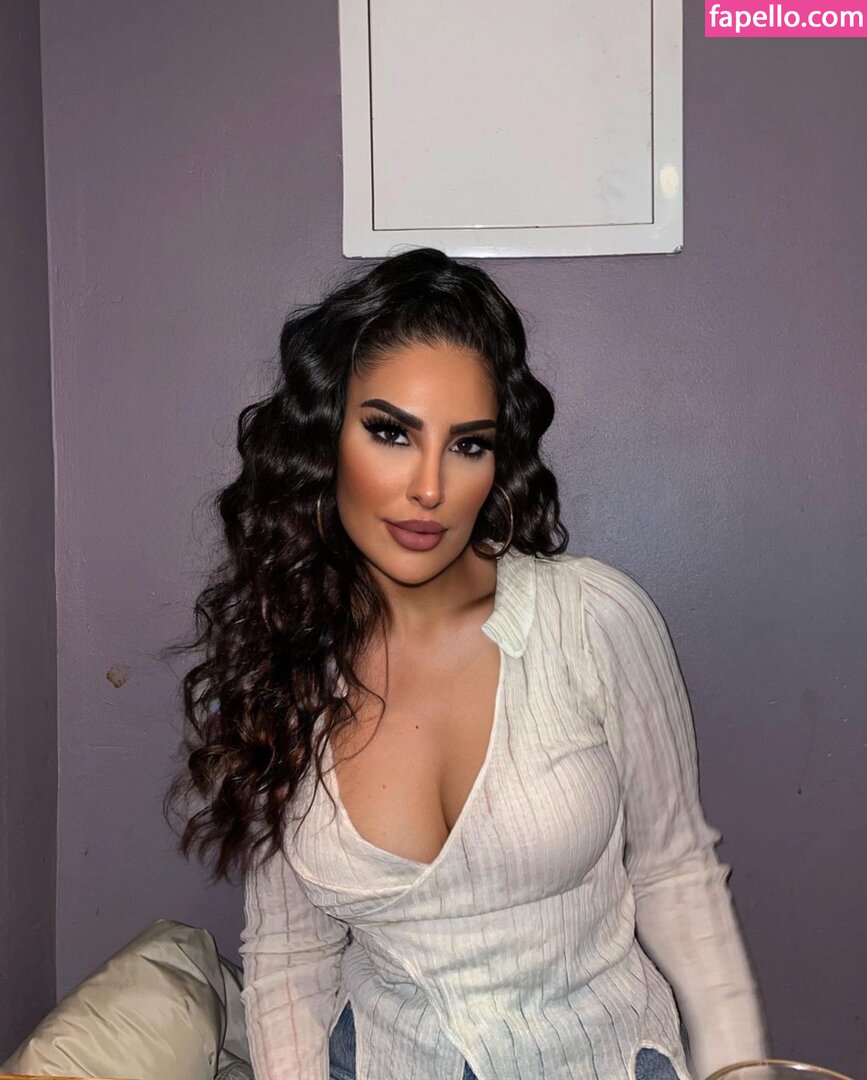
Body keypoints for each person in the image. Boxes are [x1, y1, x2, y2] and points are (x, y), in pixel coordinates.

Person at [165, 247, 769, 1080]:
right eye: (390, 432)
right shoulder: (285, 663)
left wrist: (740, 1066)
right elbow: (290, 956)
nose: (429, 487)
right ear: (324, 442)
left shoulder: (591, 619)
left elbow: (675, 873)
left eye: (468, 445)